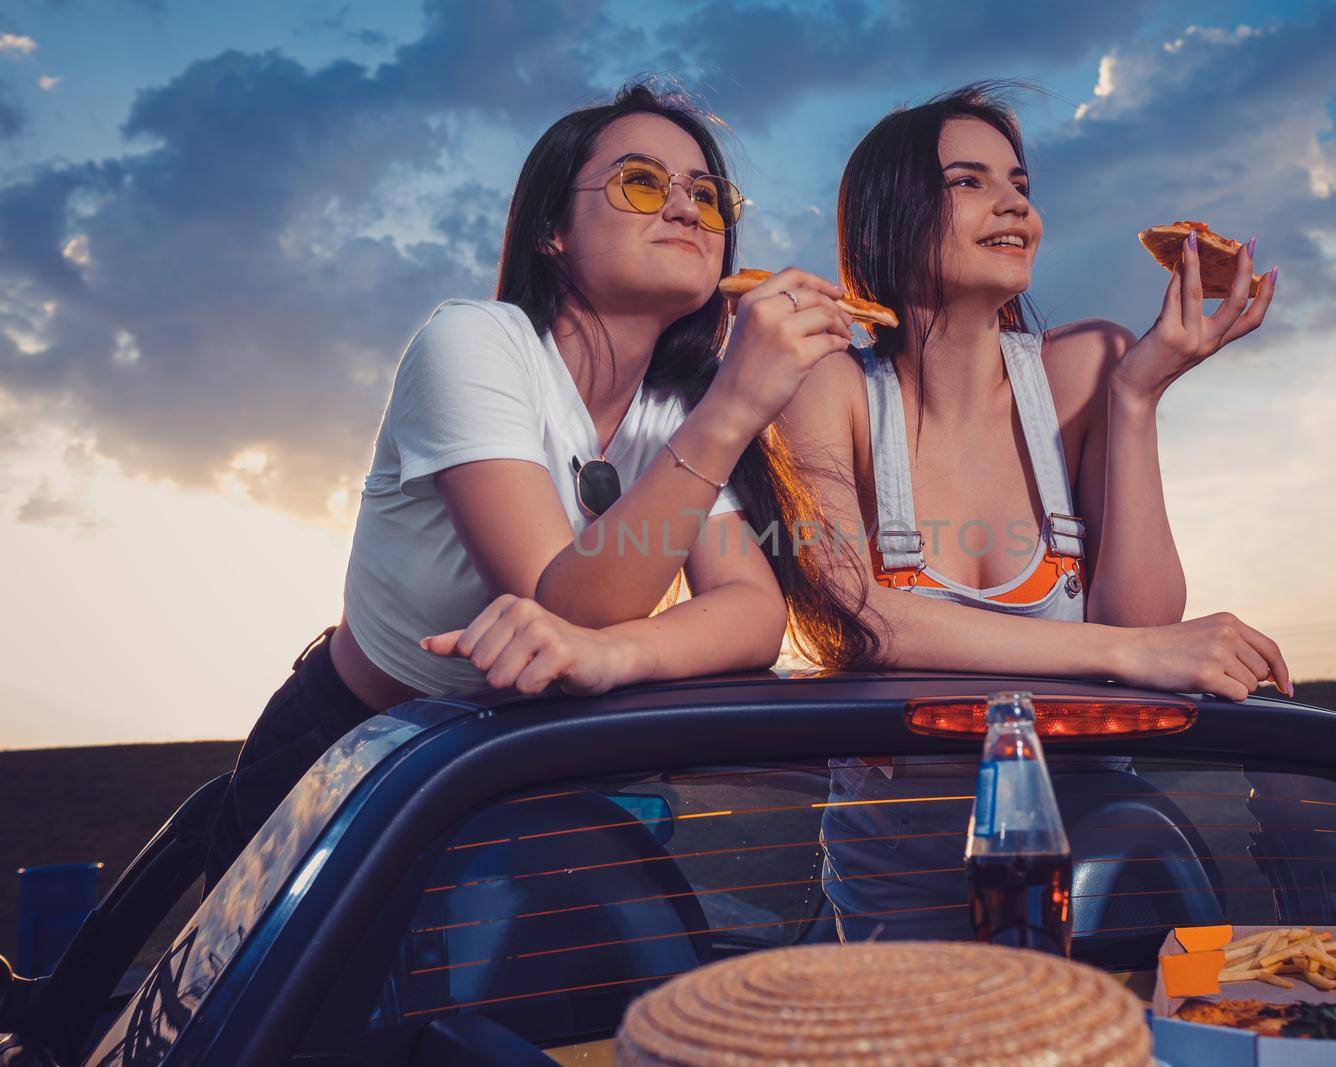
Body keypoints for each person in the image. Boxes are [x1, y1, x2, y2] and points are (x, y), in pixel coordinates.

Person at [202, 81, 862, 894]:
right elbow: (562, 604)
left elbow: (754, 615)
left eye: (708, 196)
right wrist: (736, 405)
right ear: (552, 229)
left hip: (518, 764)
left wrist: (613, 655)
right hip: (356, 758)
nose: (688, 211)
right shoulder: (472, 343)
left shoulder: (674, 406)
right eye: (643, 183)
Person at [786, 83, 1291, 942]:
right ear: (890, 214)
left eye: (1019, 181)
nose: (1016, 201)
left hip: (1091, 872)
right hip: (899, 895)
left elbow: (1142, 616)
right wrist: (1125, 656)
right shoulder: (827, 386)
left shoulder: (1090, 363)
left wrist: (1136, 397)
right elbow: (855, 623)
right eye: (969, 181)